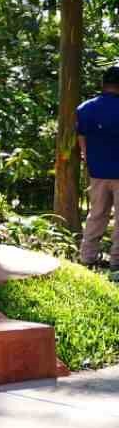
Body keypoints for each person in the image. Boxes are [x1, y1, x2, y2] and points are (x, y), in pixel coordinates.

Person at [77, 65, 119, 276]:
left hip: (97, 171)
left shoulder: (85, 108)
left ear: (104, 84)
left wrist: (89, 159)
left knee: (96, 215)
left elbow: (82, 140)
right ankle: (116, 263)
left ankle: (87, 257)